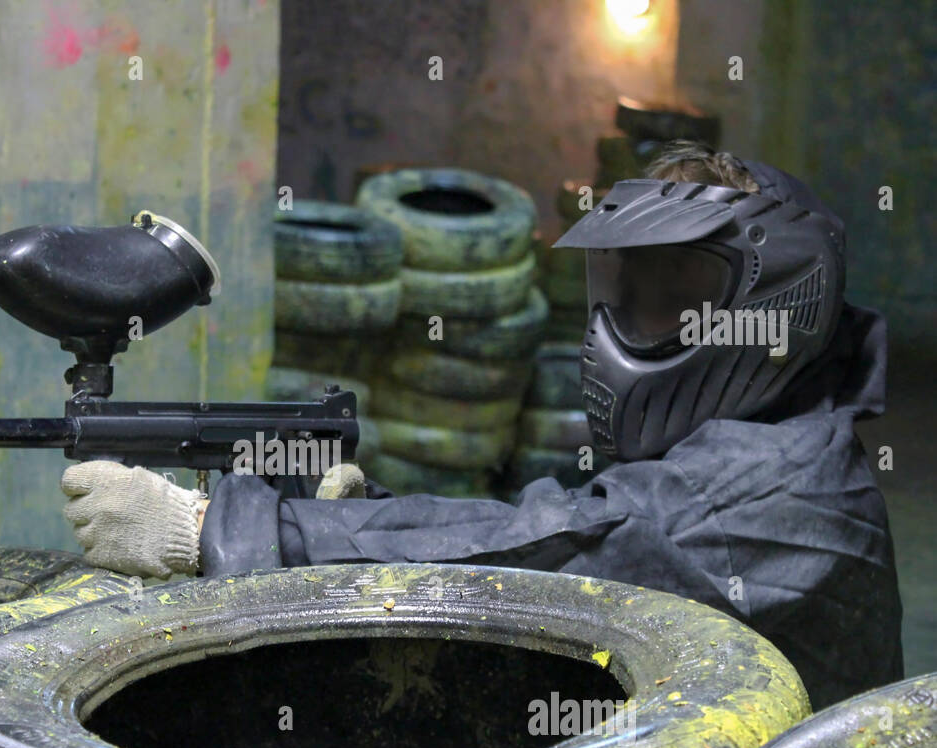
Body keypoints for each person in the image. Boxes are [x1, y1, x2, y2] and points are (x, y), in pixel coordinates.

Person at [61, 143, 903, 708]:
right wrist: (357, 511)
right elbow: (572, 522)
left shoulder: (769, 492)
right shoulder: (774, 440)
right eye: (624, 290)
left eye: (674, 297)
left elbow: (545, 545)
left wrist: (214, 530)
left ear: (781, 303)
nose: (629, 325)